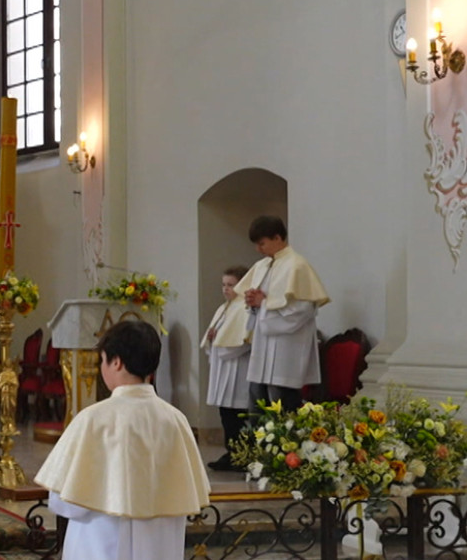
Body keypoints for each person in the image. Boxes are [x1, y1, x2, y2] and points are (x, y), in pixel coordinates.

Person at [35, 320, 211, 559]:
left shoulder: (93, 419)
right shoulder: (176, 420)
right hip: (160, 545)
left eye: (103, 360)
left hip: (101, 542)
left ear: (116, 362)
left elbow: (64, 502)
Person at [239, 215, 329, 413]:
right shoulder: (262, 266)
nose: (258, 249)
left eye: (262, 243)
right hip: (262, 347)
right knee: (257, 405)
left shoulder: (297, 265)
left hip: (286, 349)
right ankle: (256, 444)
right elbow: (257, 304)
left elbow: (304, 308)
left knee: (283, 406)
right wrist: (253, 302)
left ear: (277, 238)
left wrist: (264, 303)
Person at [201, 265, 251, 472]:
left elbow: (246, 340)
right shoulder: (224, 308)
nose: (225, 289)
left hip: (239, 369)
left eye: (231, 285)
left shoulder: (245, 309)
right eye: (224, 284)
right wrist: (213, 339)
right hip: (224, 368)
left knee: (237, 416)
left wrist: (223, 346)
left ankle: (242, 455)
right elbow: (216, 338)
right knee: (226, 414)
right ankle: (231, 453)